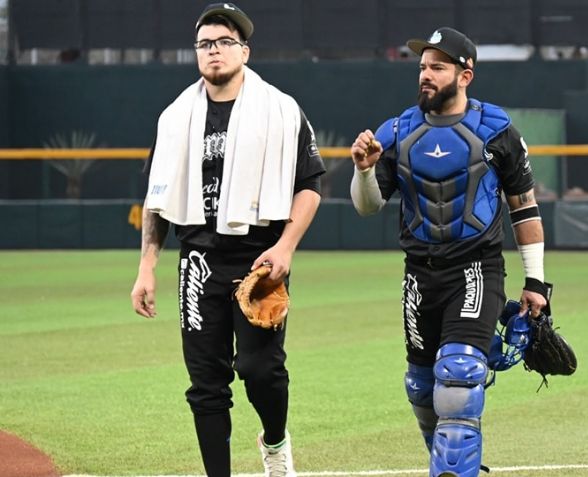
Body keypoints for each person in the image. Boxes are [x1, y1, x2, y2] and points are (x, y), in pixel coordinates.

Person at [130, 3, 324, 476]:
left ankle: (275, 443)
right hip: (198, 261)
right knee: (206, 384)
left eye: (223, 42)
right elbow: (157, 199)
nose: (213, 51)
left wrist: (285, 247)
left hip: (260, 258)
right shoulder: (174, 117)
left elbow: (310, 187)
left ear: (244, 50)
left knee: (262, 373)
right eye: (204, 44)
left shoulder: (281, 110)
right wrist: (146, 268)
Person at [349, 27, 550, 477]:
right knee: (423, 389)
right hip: (418, 276)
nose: (425, 75)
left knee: (457, 379)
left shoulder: (496, 131)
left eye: (437, 67)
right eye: (422, 67)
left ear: (465, 75)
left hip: (474, 270)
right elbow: (368, 206)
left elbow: (524, 207)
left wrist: (535, 282)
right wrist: (363, 170)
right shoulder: (396, 131)